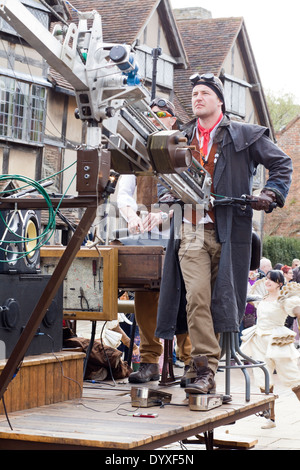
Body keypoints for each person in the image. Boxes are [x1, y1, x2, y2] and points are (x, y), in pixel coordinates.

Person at [155, 72, 293, 396]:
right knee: (197, 295)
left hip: (232, 229)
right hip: (190, 228)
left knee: (223, 300)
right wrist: (167, 197)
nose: (197, 98)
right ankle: (203, 368)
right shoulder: (181, 137)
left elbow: (282, 164)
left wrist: (270, 193)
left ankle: (201, 363)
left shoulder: (244, 134)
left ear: (219, 100)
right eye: (194, 94)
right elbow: (164, 177)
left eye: (204, 93)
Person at [117, 97, 191, 383]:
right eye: (152, 114)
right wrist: (130, 215)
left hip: (180, 237)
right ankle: (149, 361)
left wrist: (165, 214)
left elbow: (193, 197)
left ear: (173, 120)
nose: (156, 118)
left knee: (185, 298)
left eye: (162, 114)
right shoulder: (137, 153)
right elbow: (123, 193)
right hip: (146, 241)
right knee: (145, 295)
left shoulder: (183, 152)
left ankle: (190, 360)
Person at [241, 270, 300, 428]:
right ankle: (271, 418)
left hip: (278, 341)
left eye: (271, 280)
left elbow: (295, 310)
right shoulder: (261, 298)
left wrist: (297, 312)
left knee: (293, 379)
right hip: (259, 340)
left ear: (280, 283)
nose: (267, 282)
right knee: (263, 379)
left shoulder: (284, 300)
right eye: (266, 279)